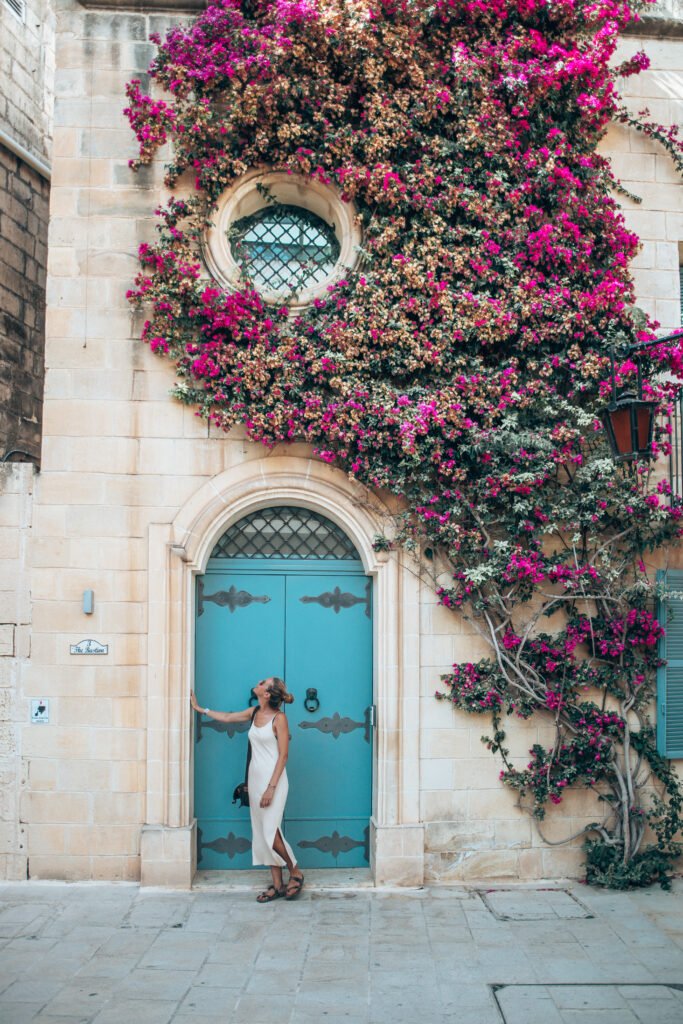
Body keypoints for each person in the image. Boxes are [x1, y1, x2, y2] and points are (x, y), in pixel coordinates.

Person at [190, 676, 305, 902]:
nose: (258, 682)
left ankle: (295, 871)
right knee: (262, 833)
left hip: (274, 781)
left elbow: (283, 755)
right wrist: (200, 709)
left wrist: (271, 788)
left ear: (268, 693)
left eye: (263, 682)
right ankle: (277, 885)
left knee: (271, 832)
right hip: (255, 780)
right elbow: (228, 717)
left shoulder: (279, 718)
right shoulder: (254, 713)